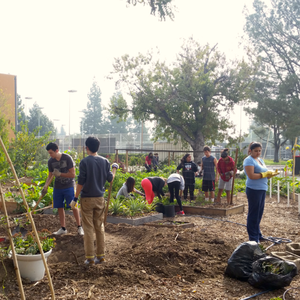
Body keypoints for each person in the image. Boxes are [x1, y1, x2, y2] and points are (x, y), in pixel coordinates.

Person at [72, 136, 119, 265]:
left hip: (87, 199)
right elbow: (111, 179)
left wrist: (75, 198)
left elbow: (81, 182)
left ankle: (90, 258)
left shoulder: (85, 162)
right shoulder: (105, 162)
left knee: (88, 228)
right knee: (99, 226)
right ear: (98, 148)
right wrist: (114, 169)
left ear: (86, 148)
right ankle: (101, 256)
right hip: (100, 199)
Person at [43, 142, 83, 236]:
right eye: (49, 153)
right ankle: (63, 228)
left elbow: (73, 174)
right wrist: (45, 186)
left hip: (68, 186)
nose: (50, 155)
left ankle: (79, 227)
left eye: (51, 153)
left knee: (73, 206)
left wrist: (60, 174)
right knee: (59, 207)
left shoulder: (67, 158)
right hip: (58, 187)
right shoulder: (51, 161)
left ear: (57, 150)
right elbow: (49, 176)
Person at [243, 142, 279, 243]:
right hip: (254, 189)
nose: (258, 153)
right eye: (256, 151)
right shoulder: (248, 160)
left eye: (259, 151)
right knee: (253, 213)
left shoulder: (260, 160)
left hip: (262, 189)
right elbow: (251, 175)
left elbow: (263, 173)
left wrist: (270, 174)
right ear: (250, 151)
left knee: (259, 213)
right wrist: (264, 174)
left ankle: (258, 234)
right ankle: (253, 238)